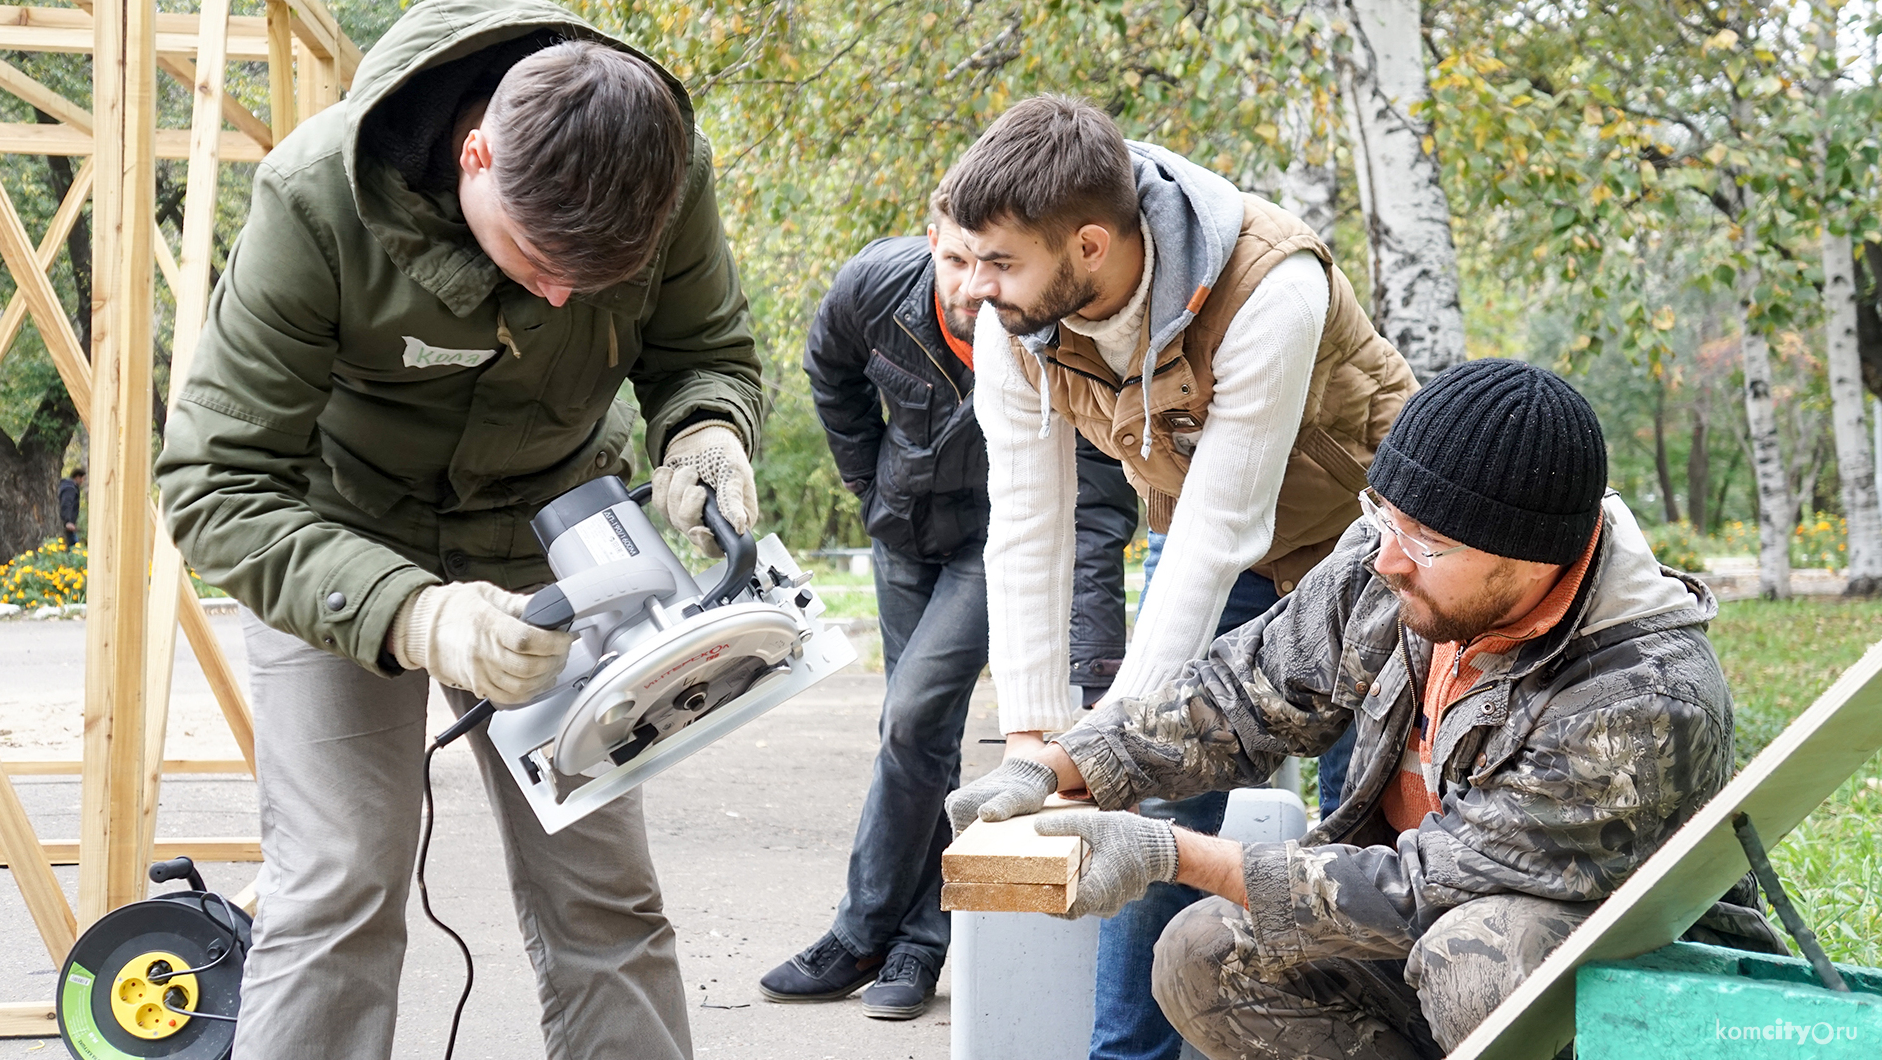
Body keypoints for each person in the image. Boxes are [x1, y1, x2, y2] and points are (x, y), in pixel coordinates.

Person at [153, 3, 763, 1058]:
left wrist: (705, 428)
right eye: (539, 259)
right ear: (474, 153)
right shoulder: (313, 199)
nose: (565, 292)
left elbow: (701, 345)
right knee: (339, 880)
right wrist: (413, 614)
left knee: (604, 894)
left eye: (595, 278)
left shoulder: (668, 167)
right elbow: (216, 482)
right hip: (334, 539)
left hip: (553, 535)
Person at [948, 359, 1785, 1059]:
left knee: (1482, 955)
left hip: (1630, 999)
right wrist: (1054, 764)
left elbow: (1429, 891)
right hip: (1426, 943)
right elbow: (1243, 691)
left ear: (1534, 557)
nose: (1386, 558)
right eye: (1382, 516)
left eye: (1424, 543)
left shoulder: (1643, 698)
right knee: (1205, 953)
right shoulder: (1397, 557)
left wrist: (1171, 852)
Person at [943, 94, 1417, 1060]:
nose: (973, 288)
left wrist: (1101, 746)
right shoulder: (1014, 317)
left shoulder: (1269, 286)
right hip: (1210, 521)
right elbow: (1030, 524)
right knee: (1154, 800)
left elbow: (1219, 536)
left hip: (1372, 547)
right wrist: (1038, 744)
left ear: (1086, 246)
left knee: (1358, 817)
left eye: (999, 263)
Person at [763, 197, 1138, 1018]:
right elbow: (829, 373)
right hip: (904, 531)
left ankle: (861, 931)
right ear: (933, 241)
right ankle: (917, 941)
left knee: (911, 715)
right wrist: (868, 485)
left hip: (1001, 543)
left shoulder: (1055, 323)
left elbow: (1101, 502)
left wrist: (1095, 667)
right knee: (914, 732)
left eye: (995, 262)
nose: (974, 285)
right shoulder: (874, 285)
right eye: (956, 259)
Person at [57, 467, 83, 549]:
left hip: (66, 524)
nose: (82, 481)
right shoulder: (70, 488)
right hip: (67, 525)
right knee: (75, 549)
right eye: (82, 479)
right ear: (77, 477)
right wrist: (68, 521)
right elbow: (66, 504)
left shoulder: (67, 486)